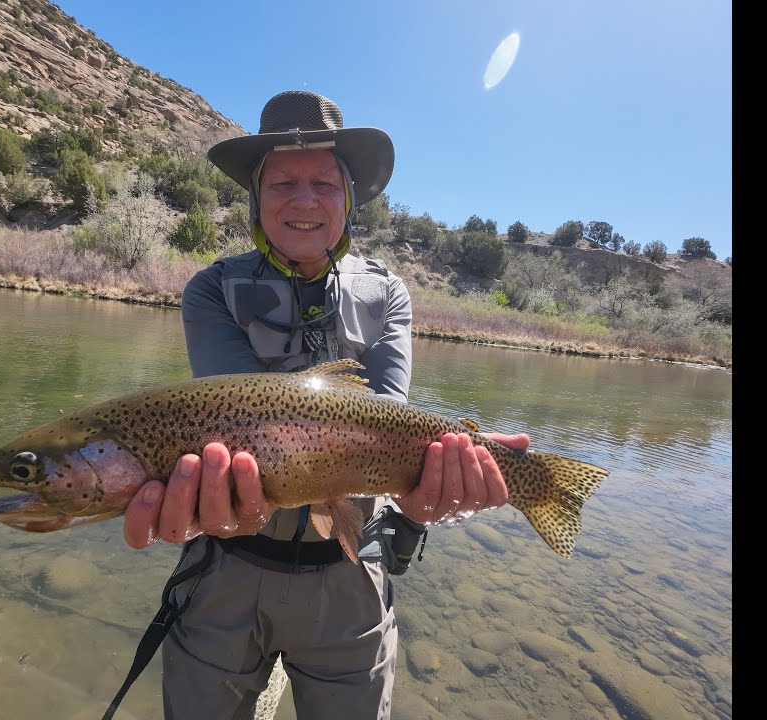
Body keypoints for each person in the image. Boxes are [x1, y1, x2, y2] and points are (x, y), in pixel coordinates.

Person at [120, 90, 530, 719]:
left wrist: (420, 503)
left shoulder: (387, 293)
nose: (304, 200)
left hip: (347, 573)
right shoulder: (211, 289)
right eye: (283, 182)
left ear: (349, 201)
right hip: (225, 566)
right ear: (257, 197)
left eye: (324, 184)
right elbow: (238, 424)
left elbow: (389, 428)